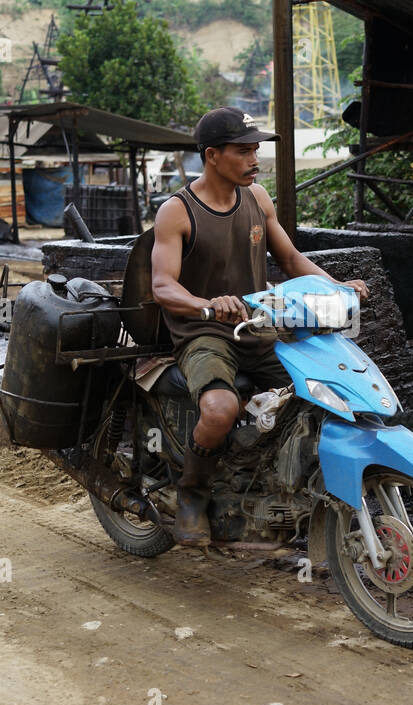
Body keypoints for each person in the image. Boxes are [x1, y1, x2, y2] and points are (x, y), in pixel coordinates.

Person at [151, 106, 369, 547]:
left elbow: (290, 260)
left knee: (326, 390)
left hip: (258, 326)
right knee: (219, 410)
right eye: (243, 151)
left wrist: (336, 286)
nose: (254, 160)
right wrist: (207, 306)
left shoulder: (258, 199)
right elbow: (162, 286)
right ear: (212, 155)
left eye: (256, 150)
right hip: (204, 333)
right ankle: (191, 495)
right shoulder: (177, 212)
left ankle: (280, 481)